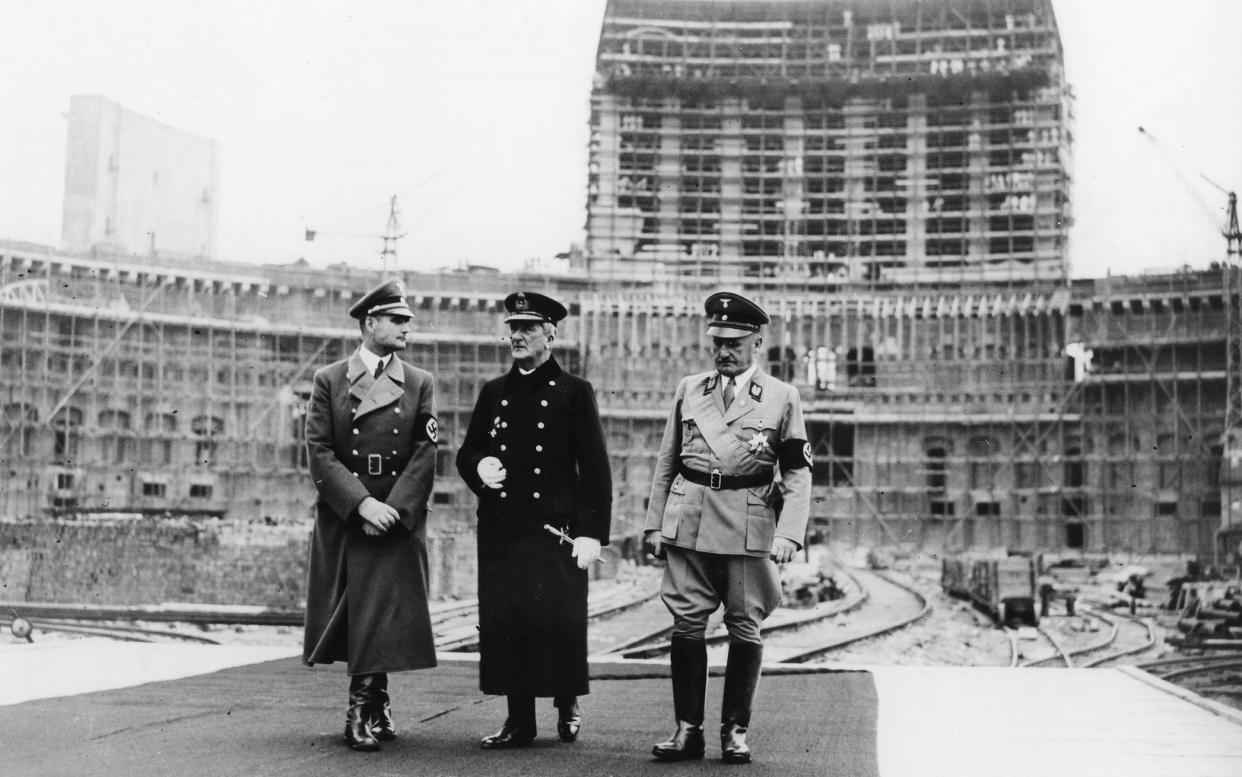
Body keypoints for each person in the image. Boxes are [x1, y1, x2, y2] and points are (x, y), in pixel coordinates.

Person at [643, 291, 812, 765]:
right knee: (687, 622)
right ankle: (686, 731)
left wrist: (789, 534)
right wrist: (654, 522)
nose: (724, 351)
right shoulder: (689, 389)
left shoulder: (782, 397)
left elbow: (798, 473)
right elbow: (667, 460)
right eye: (717, 341)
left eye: (735, 343)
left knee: (745, 624)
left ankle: (735, 731)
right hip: (690, 518)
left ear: (757, 342)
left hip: (747, 520)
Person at [456, 290, 612, 749]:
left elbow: (595, 468)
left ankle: (566, 701)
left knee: (559, 619)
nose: (517, 336)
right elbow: (468, 450)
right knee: (508, 622)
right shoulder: (494, 393)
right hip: (504, 530)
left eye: (527, 328)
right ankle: (519, 720)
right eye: (513, 328)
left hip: (554, 531)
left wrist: (591, 533)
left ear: (551, 334)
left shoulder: (574, 392)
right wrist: (478, 469)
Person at [302, 278, 440, 751]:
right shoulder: (330, 379)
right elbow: (319, 451)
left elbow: (425, 453)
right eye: (397, 320)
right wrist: (361, 503)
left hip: (397, 514)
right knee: (362, 610)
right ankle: (368, 705)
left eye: (408, 321)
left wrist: (394, 510)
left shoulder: (420, 382)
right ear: (369, 323)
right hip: (350, 514)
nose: (407, 328)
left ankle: (366, 706)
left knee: (379, 611)